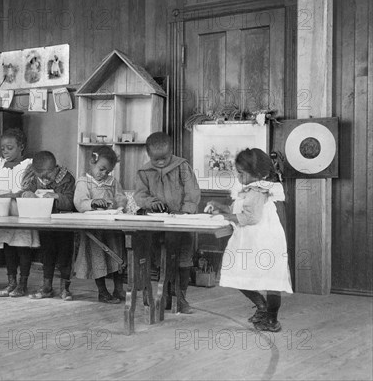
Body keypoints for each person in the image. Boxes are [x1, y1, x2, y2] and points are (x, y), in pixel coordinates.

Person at [205, 148, 292, 332]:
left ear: (257, 174)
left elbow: (250, 217)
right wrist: (221, 207)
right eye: (237, 172)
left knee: (268, 280)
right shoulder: (248, 188)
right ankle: (263, 308)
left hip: (262, 239)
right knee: (241, 274)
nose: (238, 176)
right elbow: (238, 208)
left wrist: (228, 217)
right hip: (250, 239)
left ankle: (271, 318)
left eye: (241, 173)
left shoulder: (258, 190)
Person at [133, 132, 201, 314]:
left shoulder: (182, 167)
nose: (161, 163)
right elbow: (140, 195)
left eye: (165, 158)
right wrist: (151, 203)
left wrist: (185, 211)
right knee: (161, 260)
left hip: (182, 223)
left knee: (183, 260)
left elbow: (192, 192)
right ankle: (165, 297)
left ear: (171, 151)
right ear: (149, 155)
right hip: (158, 226)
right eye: (156, 160)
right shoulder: (144, 172)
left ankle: (181, 298)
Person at [0, 128, 36, 298]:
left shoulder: (28, 166)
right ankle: (11, 282)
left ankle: (23, 283)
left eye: (10, 148)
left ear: (21, 147)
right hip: (2, 211)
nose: (5, 151)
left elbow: (28, 189)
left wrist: (9, 195)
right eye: (3, 148)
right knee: (7, 246)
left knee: (22, 247)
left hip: (20, 211)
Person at [74, 146, 128, 304]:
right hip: (94, 229)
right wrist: (93, 203)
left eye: (108, 172)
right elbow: (79, 203)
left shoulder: (112, 182)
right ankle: (102, 292)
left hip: (112, 228)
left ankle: (119, 289)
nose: (104, 174)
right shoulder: (84, 182)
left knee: (117, 257)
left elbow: (121, 197)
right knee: (97, 259)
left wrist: (118, 204)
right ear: (92, 161)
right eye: (102, 169)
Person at [21, 151, 76, 301]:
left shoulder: (67, 178)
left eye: (48, 174)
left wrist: (57, 197)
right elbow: (26, 191)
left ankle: (65, 288)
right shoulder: (36, 179)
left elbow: (71, 201)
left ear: (55, 168)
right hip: (45, 223)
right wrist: (28, 194)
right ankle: (47, 286)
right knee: (47, 255)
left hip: (64, 224)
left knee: (65, 256)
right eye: (41, 176)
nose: (45, 179)